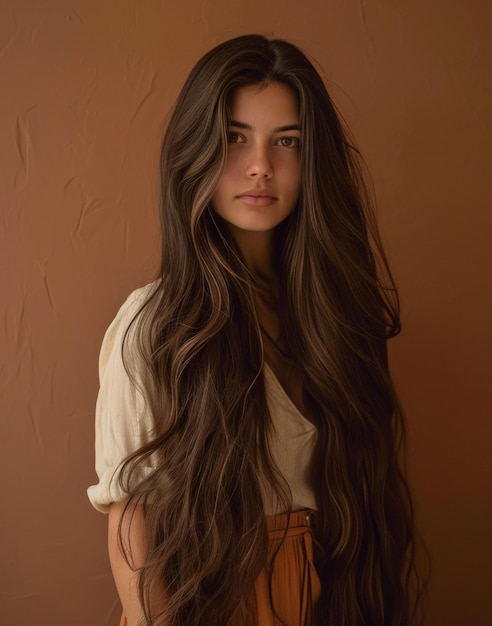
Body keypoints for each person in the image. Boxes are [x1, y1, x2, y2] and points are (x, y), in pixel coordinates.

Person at [88, 34, 423, 626]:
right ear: (196, 150)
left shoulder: (337, 317)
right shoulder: (157, 324)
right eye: (235, 137)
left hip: (336, 596)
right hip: (220, 599)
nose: (261, 165)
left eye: (287, 141)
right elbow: (130, 517)